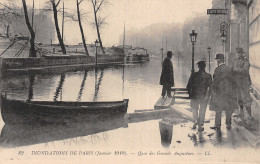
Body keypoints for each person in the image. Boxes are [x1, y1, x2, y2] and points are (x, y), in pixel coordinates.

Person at [210, 54, 238, 130]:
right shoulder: (229, 69)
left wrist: (213, 90)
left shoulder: (217, 70)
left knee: (218, 108)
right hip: (229, 92)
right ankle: (228, 124)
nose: (216, 62)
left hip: (219, 92)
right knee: (228, 108)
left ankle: (217, 125)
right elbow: (233, 81)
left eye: (217, 60)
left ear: (218, 60)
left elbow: (215, 82)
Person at [187, 60, 212, 132]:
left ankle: (195, 120)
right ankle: (200, 124)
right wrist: (208, 96)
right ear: (205, 67)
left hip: (194, 95)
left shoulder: (194, 75)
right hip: (204, 96)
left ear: (198, 66)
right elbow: (211, 88)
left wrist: (190, 94)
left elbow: (188, 86)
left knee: (194, 108)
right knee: (202, 110)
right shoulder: (208, 76)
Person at [232, 47, 252, 119]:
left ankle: (249, 115)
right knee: (239, 99)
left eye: (238, 53)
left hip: (244, 83)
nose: (237, 54)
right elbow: (232, 69)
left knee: (246, 99)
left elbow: (245, 70)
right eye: (236, 53)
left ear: (241, 53)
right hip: (237, 83)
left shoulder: (245, 61)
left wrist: (235, 70)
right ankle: (241, 113)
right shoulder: (235, 60)